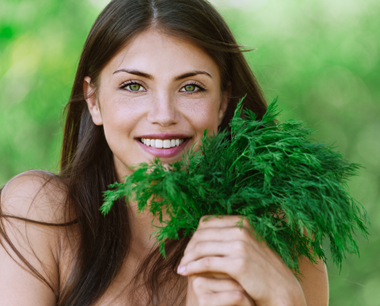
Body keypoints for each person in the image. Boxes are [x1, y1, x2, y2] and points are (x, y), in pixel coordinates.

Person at [0, 0, 329, 305]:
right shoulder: (39, 214)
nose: (163, 114)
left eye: (191, 87)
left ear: (222, 102)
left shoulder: (279, 234)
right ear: (94, 100)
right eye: (134, 86)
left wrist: (286, 299)